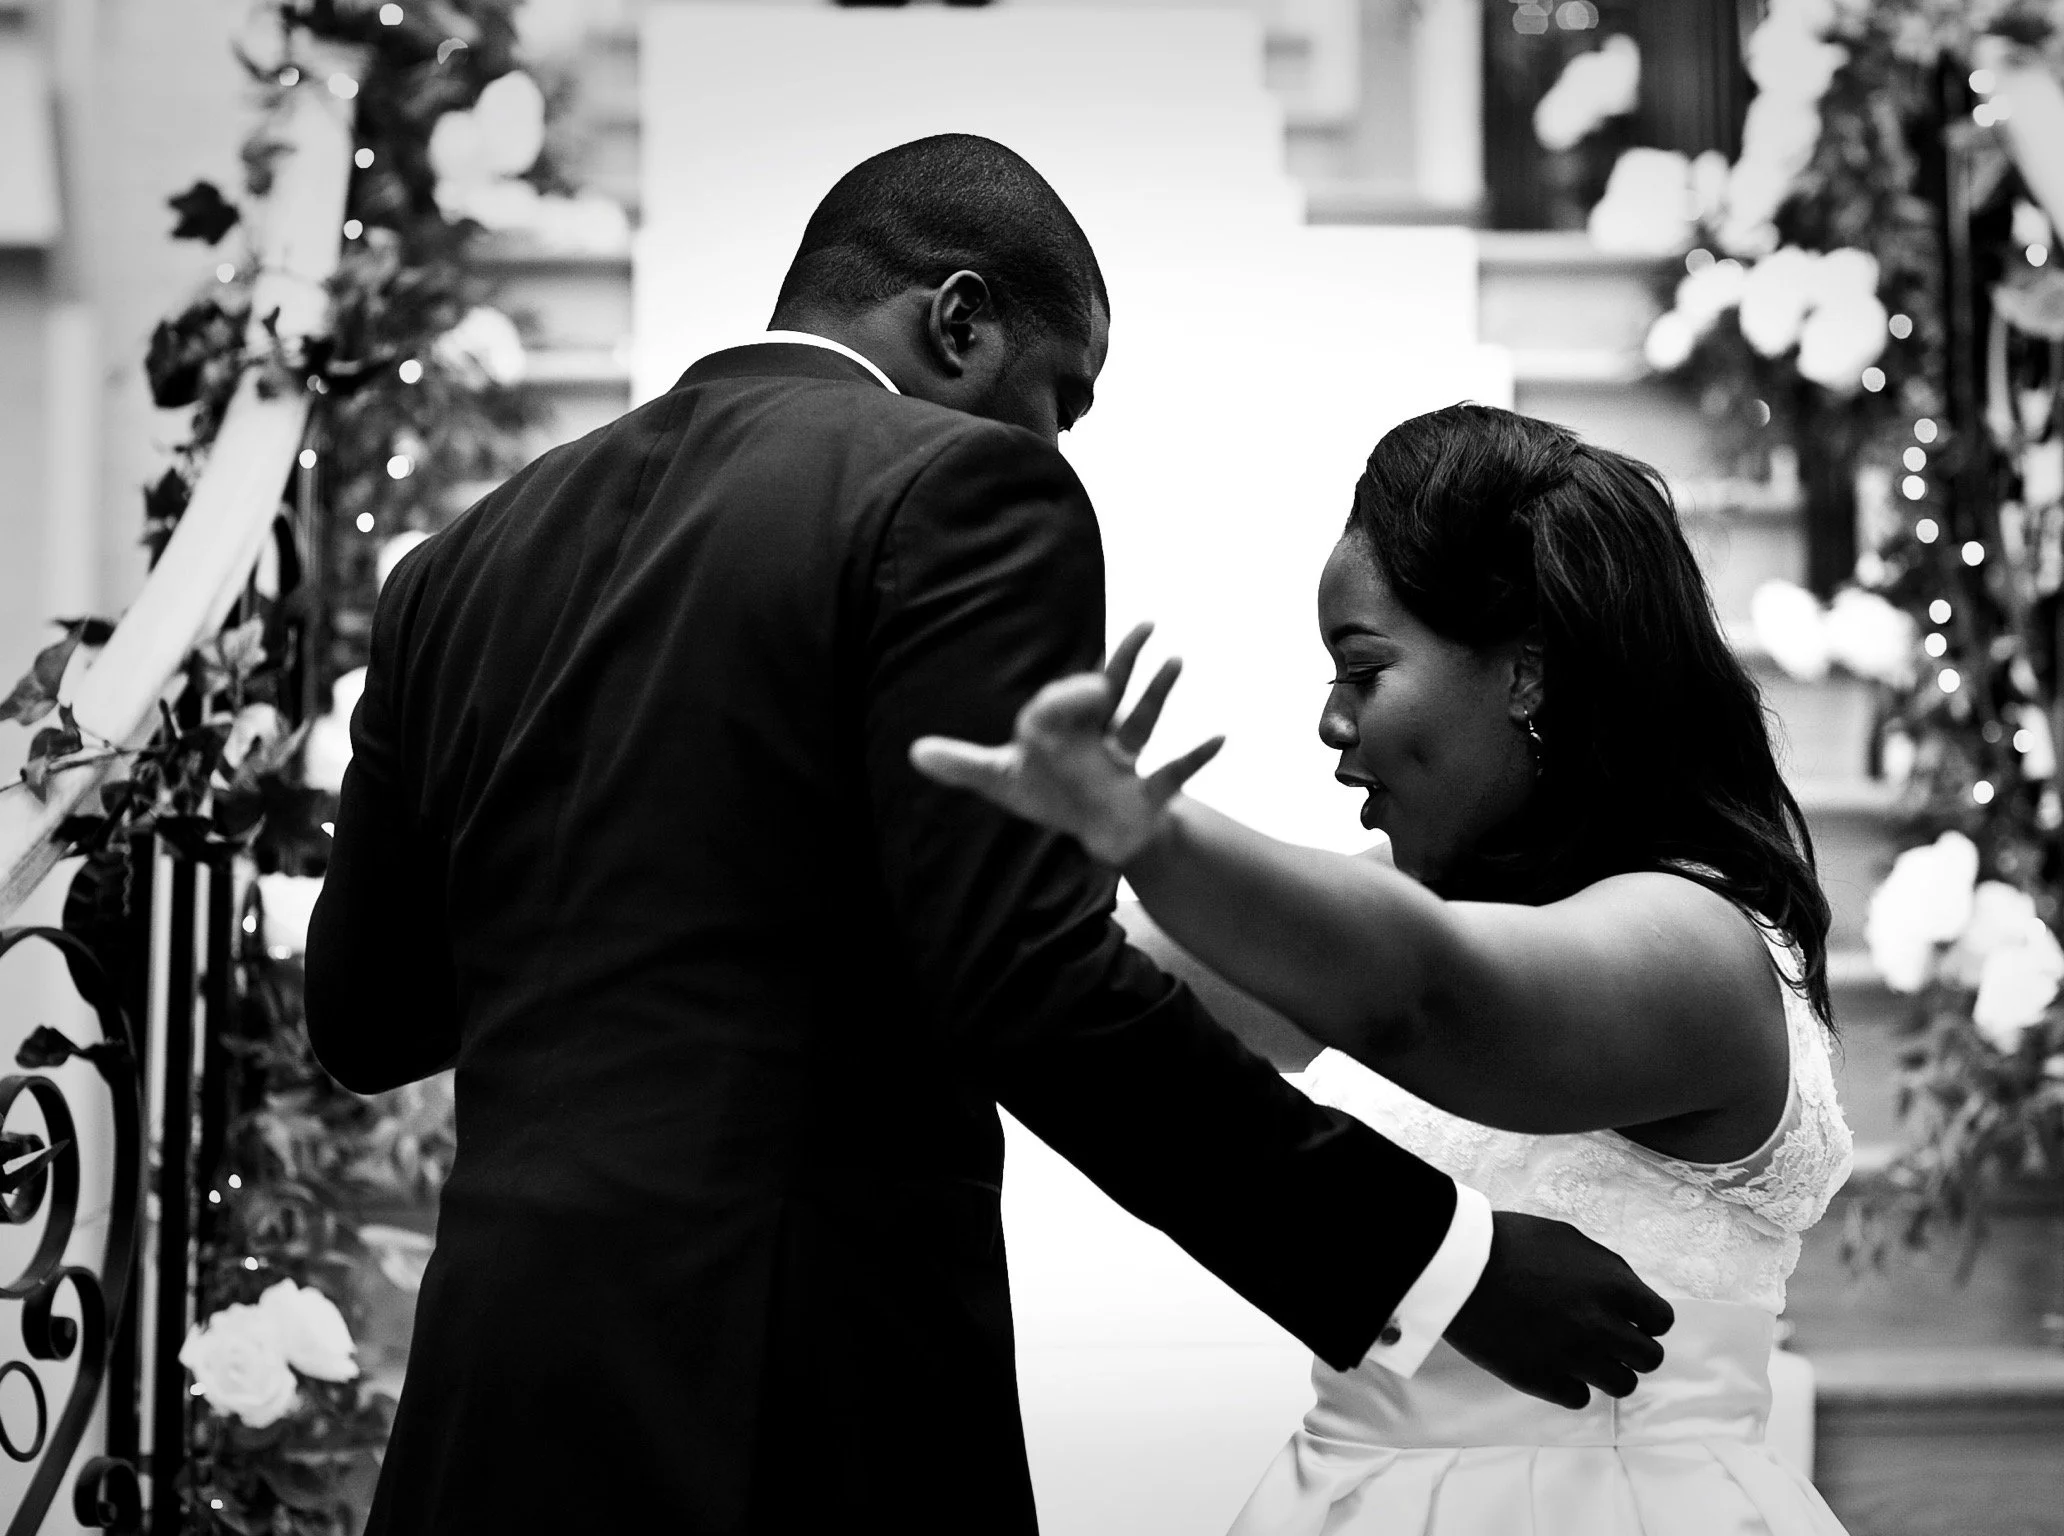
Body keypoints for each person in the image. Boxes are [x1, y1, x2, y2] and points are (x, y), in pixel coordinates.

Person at [303, 137, 1673, 1535]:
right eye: (1061, 400)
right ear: (959, 320)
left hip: (492, 1390)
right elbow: (1028, 990)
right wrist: (1435, 1262)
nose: (1059, 442)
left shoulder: (453, 571)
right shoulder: (956, 490)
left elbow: (365, 1016)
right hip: (797, 1395)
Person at [916, 404, 1857, 1535]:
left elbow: (1429, 997)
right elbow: (1099, 988)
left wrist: (1151, 834)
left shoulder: (1694, 944)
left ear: (1527, 674)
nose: (1329, 720)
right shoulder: (1410, 898)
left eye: (1363, 669)